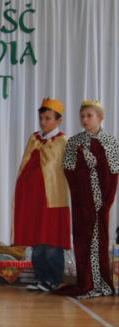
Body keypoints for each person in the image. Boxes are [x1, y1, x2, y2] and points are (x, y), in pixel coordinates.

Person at [55, 100, 119, 298]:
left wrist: (106, 203)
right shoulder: (74, 142)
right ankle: (87, 283)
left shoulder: (110, 142)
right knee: (82, 240)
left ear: (100, 117)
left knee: (99, 240)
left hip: (101, 203)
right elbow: (69, 171)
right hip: (82, 202)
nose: (84, 119)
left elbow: (114, 175)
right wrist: (86, 168)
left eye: (89, 116)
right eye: (82, 116)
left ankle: (100, 283)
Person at [13, 98, 71, 292]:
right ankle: (40, 277)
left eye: (48, 118)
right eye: (41, 118)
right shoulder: (34, 139)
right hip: (34, 199)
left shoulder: (63, 142)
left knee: (52, 240)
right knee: (37, 240)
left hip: (53, 199)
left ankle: (53, 279)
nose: (43, 122)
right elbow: (26, 165)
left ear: (58, 120)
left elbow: (69, 169)